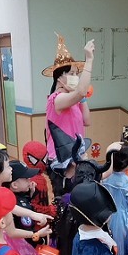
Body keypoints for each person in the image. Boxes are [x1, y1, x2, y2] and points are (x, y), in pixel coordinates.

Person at [3, 159, 53, 255]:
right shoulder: (15, 202)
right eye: (26, 179)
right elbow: (23, 223)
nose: (30, 180)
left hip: (26, 239)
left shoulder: (17, 197)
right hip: (20, 241)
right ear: (14, 185)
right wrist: (36, 234)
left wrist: (30, 194)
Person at [42, 33, 94, 167]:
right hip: (61, 161)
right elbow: (81, 91)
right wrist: (89, 60)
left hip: (76, 156)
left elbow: (87, 121)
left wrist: (81, 98)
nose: (76, 77)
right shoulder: (56, 99)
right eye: (71, 73)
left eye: (77, 73)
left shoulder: (73, 100)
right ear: (59, 77)